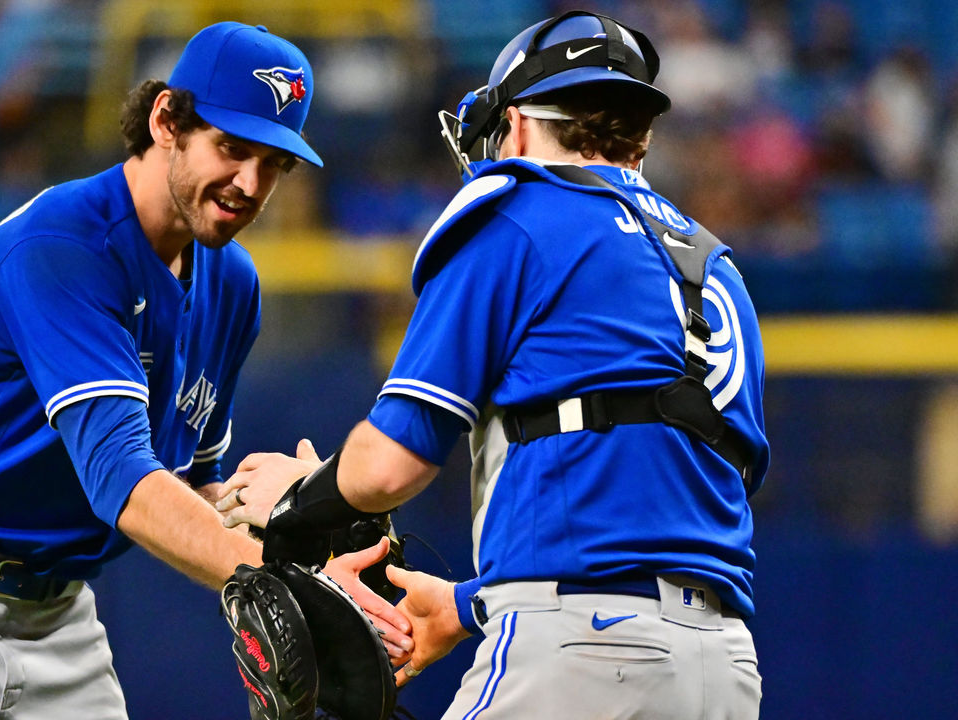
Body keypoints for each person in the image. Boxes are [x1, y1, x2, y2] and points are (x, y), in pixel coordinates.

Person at [0, 22, 409, 719]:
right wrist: (271, 579)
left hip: (56, 612)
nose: (250, 182)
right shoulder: (64, 245)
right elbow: (124, 480)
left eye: (275, 162)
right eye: (232, 147)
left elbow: (196, 486)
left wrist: (292, 531)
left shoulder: (233, 285)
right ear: (167, 121)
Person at [218, 11, 769, 719]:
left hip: (579, 657)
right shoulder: (718, 269)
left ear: (513, 126)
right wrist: (463, 605)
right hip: (722, 669)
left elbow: (392, 466)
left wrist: (298, 497)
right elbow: (665, 515)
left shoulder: (519, 215)